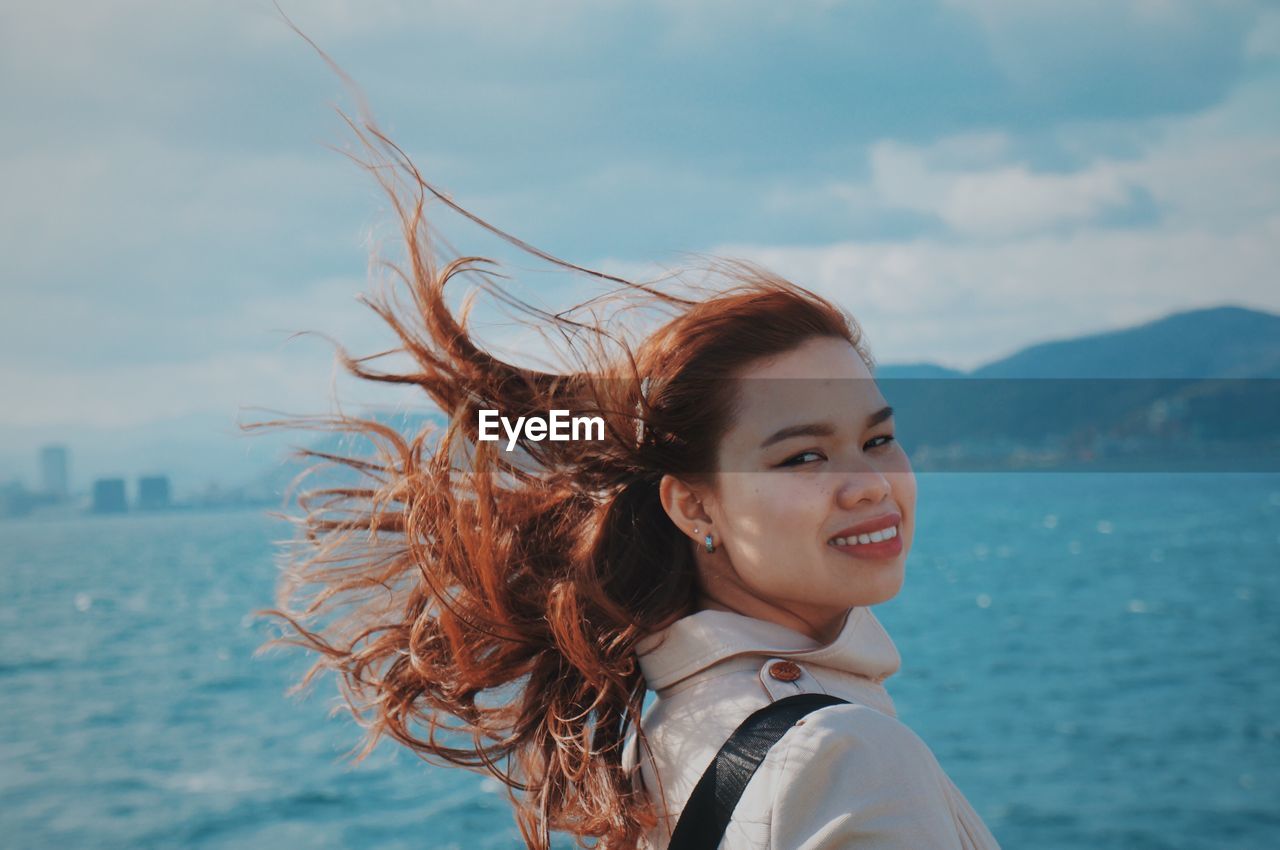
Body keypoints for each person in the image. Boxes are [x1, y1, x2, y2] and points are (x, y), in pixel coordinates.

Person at [247, 91, 1002, 850]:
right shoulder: (848, 755)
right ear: (693, 508)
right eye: (801, 456)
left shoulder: (665, 733)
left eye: (877, 440)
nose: (871, 482)